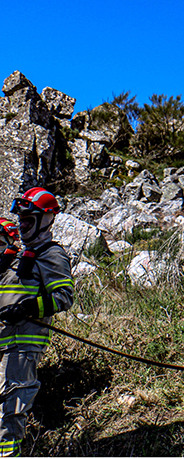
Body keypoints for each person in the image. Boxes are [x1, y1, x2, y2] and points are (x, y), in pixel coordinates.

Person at [0, 189, 74, 458]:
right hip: (5, 340)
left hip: (23, 344)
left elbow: (63, 297)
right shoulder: (18, 256)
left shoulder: (51, 254)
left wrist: (30, 308)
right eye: (20, 220)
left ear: (46, 220)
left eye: (28, 220)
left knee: (11, 407)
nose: (22, 225)